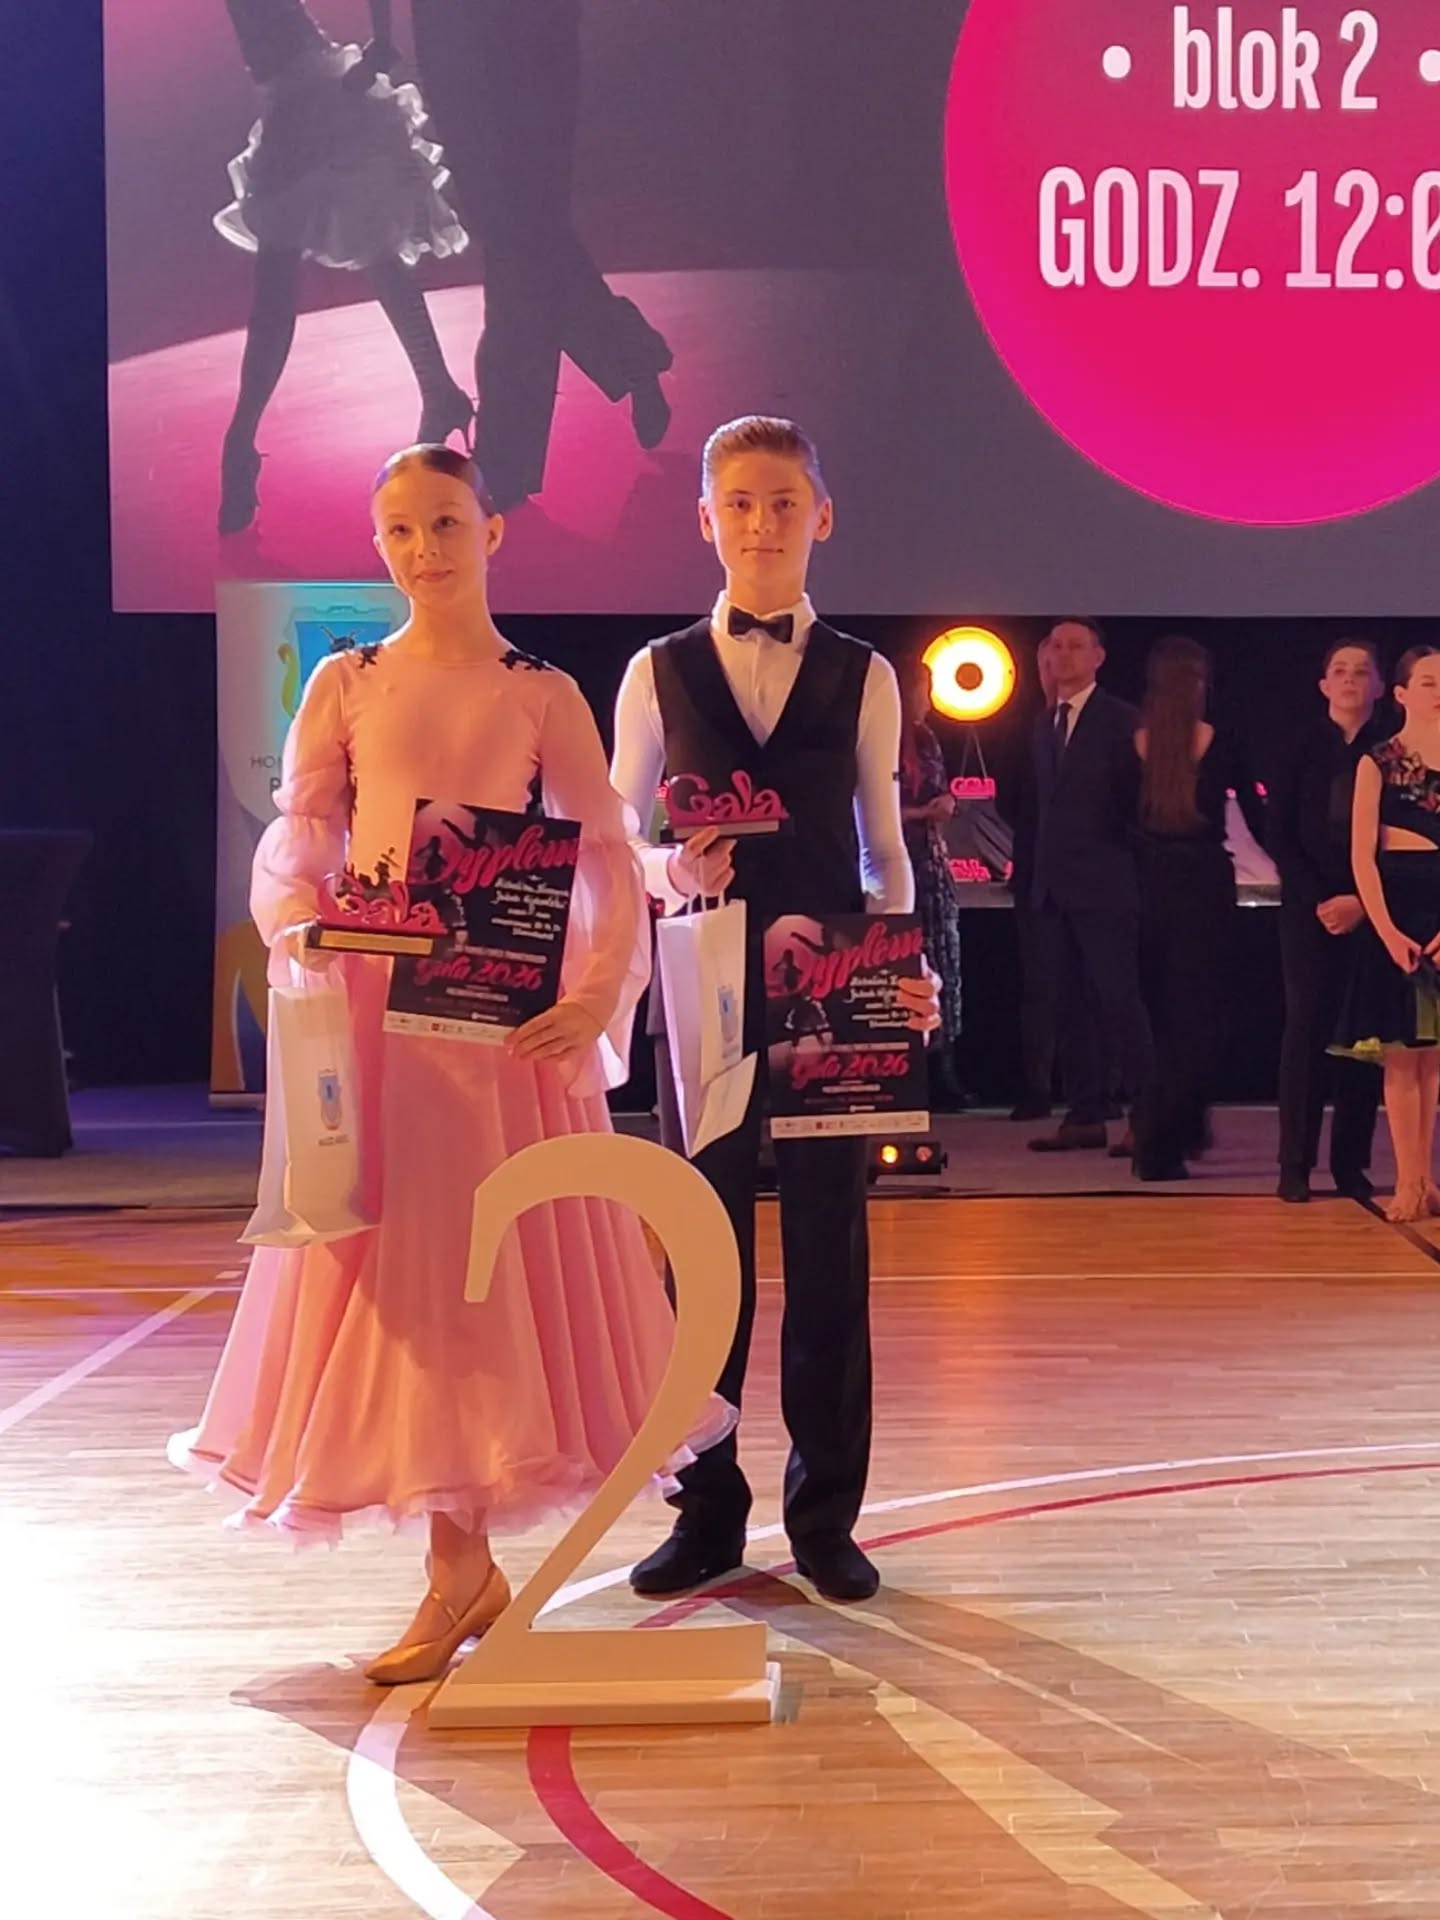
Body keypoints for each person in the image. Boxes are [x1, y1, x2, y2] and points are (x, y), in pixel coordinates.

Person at [171, 443, 727, 1684]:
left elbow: (601, 853)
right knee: (402, 1276)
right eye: (400, 530)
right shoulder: (347, 681)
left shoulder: (543, 692)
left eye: (444, 524)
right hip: (378, 1024)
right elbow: (304, 835)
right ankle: (458, 1566)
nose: (422, 549)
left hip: (496, 1031)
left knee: (478, 1276)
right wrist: (296, 924)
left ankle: (458, 1569)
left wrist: (593, 995)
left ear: (493, 532)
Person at [610, 416, 938, 1604]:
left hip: (832, 994)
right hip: (700, 985)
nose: (762, 524)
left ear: (821, 516)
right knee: (703, 1257)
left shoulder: (866, 673)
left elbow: (885, 849)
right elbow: (616, 834)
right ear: (706, 519)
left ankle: (826, 1516)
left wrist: (904, 973)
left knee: (831, 1254)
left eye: (783, 502)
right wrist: (666, 867)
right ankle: (705, 1513)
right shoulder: (654, 671)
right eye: (740, 503)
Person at [216, 1, 473, 535]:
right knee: (371, 255)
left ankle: (239, 445)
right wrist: (378, 44)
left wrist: (381, 43)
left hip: (307, 95)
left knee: (285, 285)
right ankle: (440, 389)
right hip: (296, 93)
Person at [408, 0, 674, 511]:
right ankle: (629, 355)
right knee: (523, 238)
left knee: (520, 242)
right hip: (469, 36)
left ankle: (503, 464)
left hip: (515, 34)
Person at [1128, 637, 1263, 1181]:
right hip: (1203, 890)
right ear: (1199, 685)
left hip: (1145, 890)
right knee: (1199, 1018)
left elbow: (1110, 826)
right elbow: (1260, 820)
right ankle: (1172, 1133)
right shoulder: (1221, 742)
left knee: (1158, 1020)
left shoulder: (1133, 743)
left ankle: (1162, 1131)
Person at [1026, 620, 1153, 1154]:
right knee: (1067, 1003)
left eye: (1076, 646)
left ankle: (1147, 1116)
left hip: (1107, 885)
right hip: (1053, 887)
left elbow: (1142, 805)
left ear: (1099, 657)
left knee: (1120, 1002)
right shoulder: (1044, 723)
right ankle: (1085, 1113)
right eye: (1056, 646)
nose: (1064, 655)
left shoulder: (1124, 720)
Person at [1268, 640, 1384, 1203]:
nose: (1350, 679)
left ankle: (1350, 1163)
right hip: (1308, 911)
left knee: (1364, 1036)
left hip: (1375, 910)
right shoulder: (1299, 746)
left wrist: (1363, 900)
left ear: (1380, 687)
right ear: (1323, 685)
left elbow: (1397, 837)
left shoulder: (1392, 750)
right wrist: (1320, 899)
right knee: (1306, 1029)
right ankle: (1294, 1164)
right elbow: (1279, 831)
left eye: (1361, 671)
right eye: (1340, 670)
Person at [1332, 646, 1440, 1223]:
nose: (1438, 693)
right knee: (1402, 1056)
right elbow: (1362, 857)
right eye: (1428, 682)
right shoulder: (1378, 761)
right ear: (1400, 694)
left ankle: (1425, 1177)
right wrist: (1387, 929)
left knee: (1433, 1056)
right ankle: (1407, 1178)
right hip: (1395, 912)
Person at [898, 655, 965, 1109]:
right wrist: (924, 812)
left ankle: (944, 1070)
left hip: (933, 865)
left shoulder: (928, 738)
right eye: (924, 687)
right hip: (903, 864)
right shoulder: (887, 739)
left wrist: (945, 805)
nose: (930, 697)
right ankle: (914, 1073)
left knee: (945, 967)